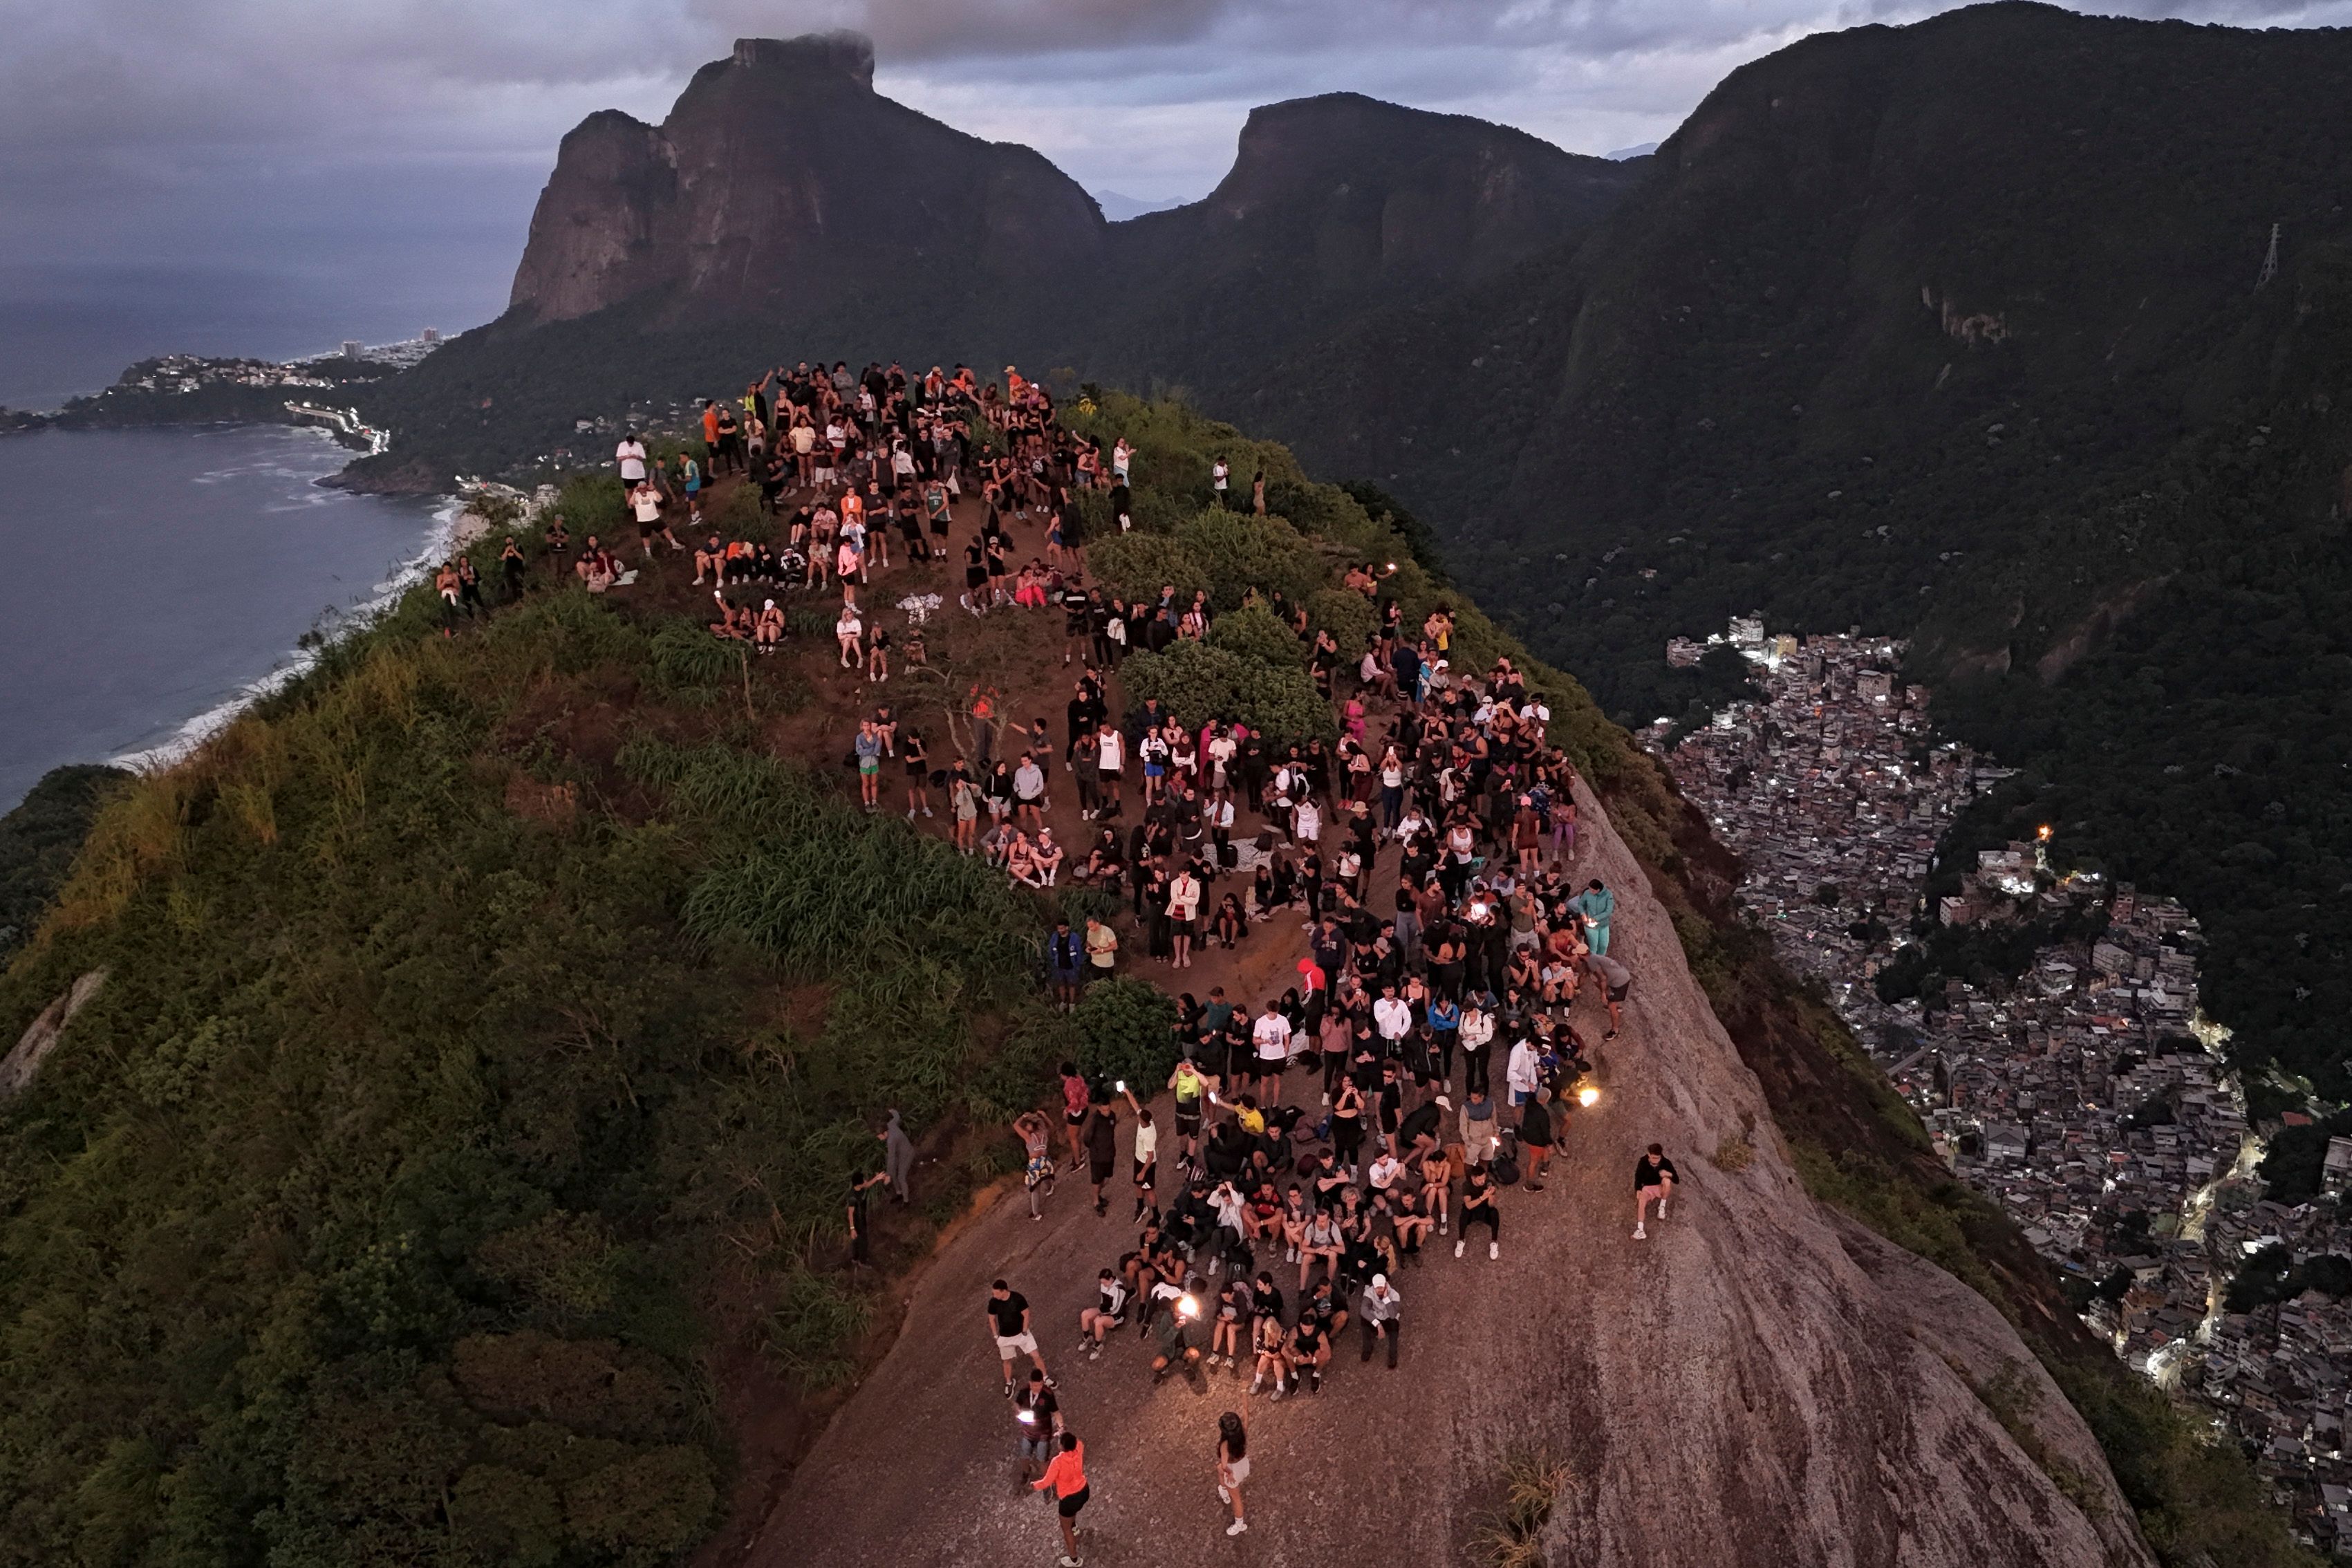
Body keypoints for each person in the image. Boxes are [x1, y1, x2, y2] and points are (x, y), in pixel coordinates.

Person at [1030, 1430, 1089, 1568]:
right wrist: (1064, 1435)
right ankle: (1074, 1526)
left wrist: (1033, 1486)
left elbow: (1046, 1482)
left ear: (1062, 1447)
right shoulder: (1078, 1449)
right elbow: (1079, 1442)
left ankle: (1074, 1560)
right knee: (1072, 1515)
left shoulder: (1058, 1462)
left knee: (1065, 1529)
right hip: (1084, 1491)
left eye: (1059, 1442)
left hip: (1069, 1499)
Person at [987, 1278, 1054, 1395]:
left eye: (996, 1292)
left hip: (1021, 1335)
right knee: (1006, 1360)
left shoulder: (1018, 1299)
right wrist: (996, 1335)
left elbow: (1026, 1314)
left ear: (1003, 1291)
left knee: (1036, 1355)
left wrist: (1024, 1330)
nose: (994, 1295)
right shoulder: (993, 1303)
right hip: (1005, 1337)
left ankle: (1045, 1377)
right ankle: (1009, 1382)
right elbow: (992, 1318)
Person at [1016, 1366, 1061, 1483]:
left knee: (1042, 1459)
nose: (1038, 1388)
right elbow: (1017, 1404)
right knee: (1024, 1455)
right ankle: (1026, 1473)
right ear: (1030, 1383)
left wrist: (1062, 1427)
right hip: (1028, 1431)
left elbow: (1056, 1412)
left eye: (1040, 1385)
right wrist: (1020, 1413)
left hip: (1043, 1433)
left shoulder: (1048, 1395)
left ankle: (1047, 1482)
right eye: (1035, 1385)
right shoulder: (1024, 1391)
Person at [1079, 1267, 1130, 1359]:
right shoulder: (1104, 1285)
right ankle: (1087, 1337)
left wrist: (1102, 1314)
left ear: (1111, 1279)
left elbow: (1117, 1309)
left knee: (1099, 1322)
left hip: (1117, 1317)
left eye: (1104, 1282)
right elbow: (1103, 1301)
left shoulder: (1119, 1290)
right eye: (1101, 1283)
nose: (1103, 1285)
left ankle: (1098, 1346)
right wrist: (1100, 1311)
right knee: (1085, 1314)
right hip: (1105, 1311)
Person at [1083, 1094, 1120, 1217]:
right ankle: (1096, 1202)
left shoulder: (1112, 1116)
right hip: (1098, 1156)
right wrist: (1096, 1148)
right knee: (1096, 1181)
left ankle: (1098, 1195)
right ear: (1099, 1108)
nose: (1107, 1112)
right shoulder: (1095, 1120)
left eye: (1108, 1109)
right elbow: (1087, 1138)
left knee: (1107, 1177)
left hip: (1109, 1154)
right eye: (1104, 1110)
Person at [1014, 1110, 1056, 1219]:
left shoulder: (1028, 1137)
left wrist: (1023, 1116)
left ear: (1030, 1125)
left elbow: (1016, 1125)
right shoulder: (1044, 1133)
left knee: (1035, 1188)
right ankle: (1050, 1188)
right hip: (1045, 1159)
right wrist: (1045, 1116)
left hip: (1035, 1163)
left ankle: (1035, 1213)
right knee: (1045, 1175)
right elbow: (1051, 1126)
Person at [1216, 1410, 1251, 1537]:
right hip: (1243, 1463)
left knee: (1236, 1499)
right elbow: (1247, 1413)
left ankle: (1239, 1524)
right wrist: (1243, 1392)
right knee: (1219, 1469)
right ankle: (1224, 1490)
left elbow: (1225, 1465)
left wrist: (1229, 1473)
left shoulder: (1225, 1444)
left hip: (1233, 1470)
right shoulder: (1243, 1433)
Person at [1634, 1142, 1678, 1240]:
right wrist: (1638, 1189)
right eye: (1653, 1158)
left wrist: (1669, 1174)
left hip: (1659, 1188)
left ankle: (1662, 1207)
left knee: (1667, 1181)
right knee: (1641, 1201)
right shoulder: (1643, 1161)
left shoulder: (1666, 1162)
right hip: (1647, 1188)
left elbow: (1677, 1180)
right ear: (1649, 1155)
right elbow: (1638, 1176)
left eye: (1658, 1158)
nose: (1656, 1160)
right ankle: (1640, 1229)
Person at [1457, 1161, 1500, 1260]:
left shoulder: (1488, 1183)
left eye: (1484, 1178)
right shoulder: (1467, 1185)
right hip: (1472, 1210)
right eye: (1480, 1179)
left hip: (1485, 1210)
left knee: (1494, 1213)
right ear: (1473, 1178)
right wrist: (1482, 1198)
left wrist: (1490, 1196)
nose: (1483, 1181)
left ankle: (1494, 1242)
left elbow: (1492, 1205)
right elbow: (1468, 1205)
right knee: (1463, 1214)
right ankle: (1461, 1240)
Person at [845, 1167, 888, 1265]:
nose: (865, 1181)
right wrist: (852, 1228)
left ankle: (855, 1258)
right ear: (859, 1183)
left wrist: (877, 1178)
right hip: (858, 1220)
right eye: (863, 1180)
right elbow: (850, 1213)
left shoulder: (860, 1187)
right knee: (863, 1240)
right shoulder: (853, 1197)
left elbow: (868, 1185)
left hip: (862, 1216)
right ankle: (862, 1261)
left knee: (856, 1239)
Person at [1359, 1273, 1401, 1368]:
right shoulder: (1369, 1294)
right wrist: (1377, 1324)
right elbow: (1364, 1310)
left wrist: (1386, 1299)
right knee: (1364, 1320)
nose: (1379, 1290)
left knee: (1394, 1326)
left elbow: (1392, 1315)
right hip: (1376, 1318)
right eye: (1377, 1288)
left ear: (1386, 1285)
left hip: (1388, 1319)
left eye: (1381, 1287)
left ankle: (1392, 1356)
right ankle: (1367, 1349)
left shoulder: (1395, 1295)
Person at [1587, 951, 1632, 1040]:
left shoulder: (1591, 962)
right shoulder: (1595, 957)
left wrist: (1603, 993)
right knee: (1599, 984)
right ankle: (1614, 1003)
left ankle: (1615, 1030)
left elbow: (1603, 978)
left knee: (1611, 1006)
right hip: (1622, 975)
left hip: (1619, 981)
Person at [1520, 1086, 1556, 1191]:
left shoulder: (1530, 1103)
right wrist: (1550, 1144)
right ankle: (1529, 1185)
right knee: (1533, 1162)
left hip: (1527, 1134)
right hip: (1536, 1141)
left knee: (1542, 1151)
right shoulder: (1543, 1115)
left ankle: (1545, 1166)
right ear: (1546, 1100)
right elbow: (1545, 1132)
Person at [880, 1108, 917, 1202]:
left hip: (907, 1154)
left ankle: (906, 1201)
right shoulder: (890, 1125)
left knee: (901, 1177)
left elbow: (891, 1158)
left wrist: (887, 1175)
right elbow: (897, 1117)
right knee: (893, 1173)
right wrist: (892, 1111)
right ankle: (899, 1193)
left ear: (885, 1133)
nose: (880, 1139)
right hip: (899, 1153)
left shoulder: (891, 1141)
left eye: (880, 1137)